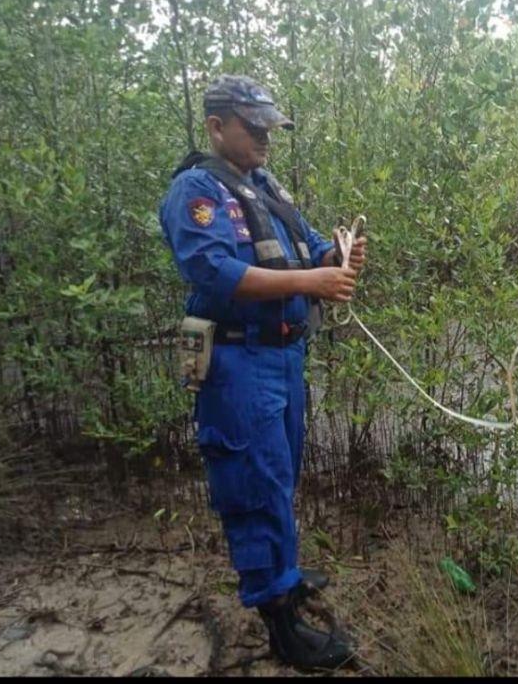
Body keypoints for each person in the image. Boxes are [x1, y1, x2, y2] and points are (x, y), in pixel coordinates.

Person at [159, 75, 366, 670]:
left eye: (269, 128)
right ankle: (278, 618)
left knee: (281, 472)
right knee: (253, 484)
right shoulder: (196, 191)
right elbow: (212, 270)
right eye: (254, 128)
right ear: (217, 126)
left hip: (284, 356)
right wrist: (311, 282)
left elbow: (307, 249)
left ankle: (286, 574)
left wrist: (335, 259)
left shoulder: (265, 185)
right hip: (237, 360)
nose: (265, 139)